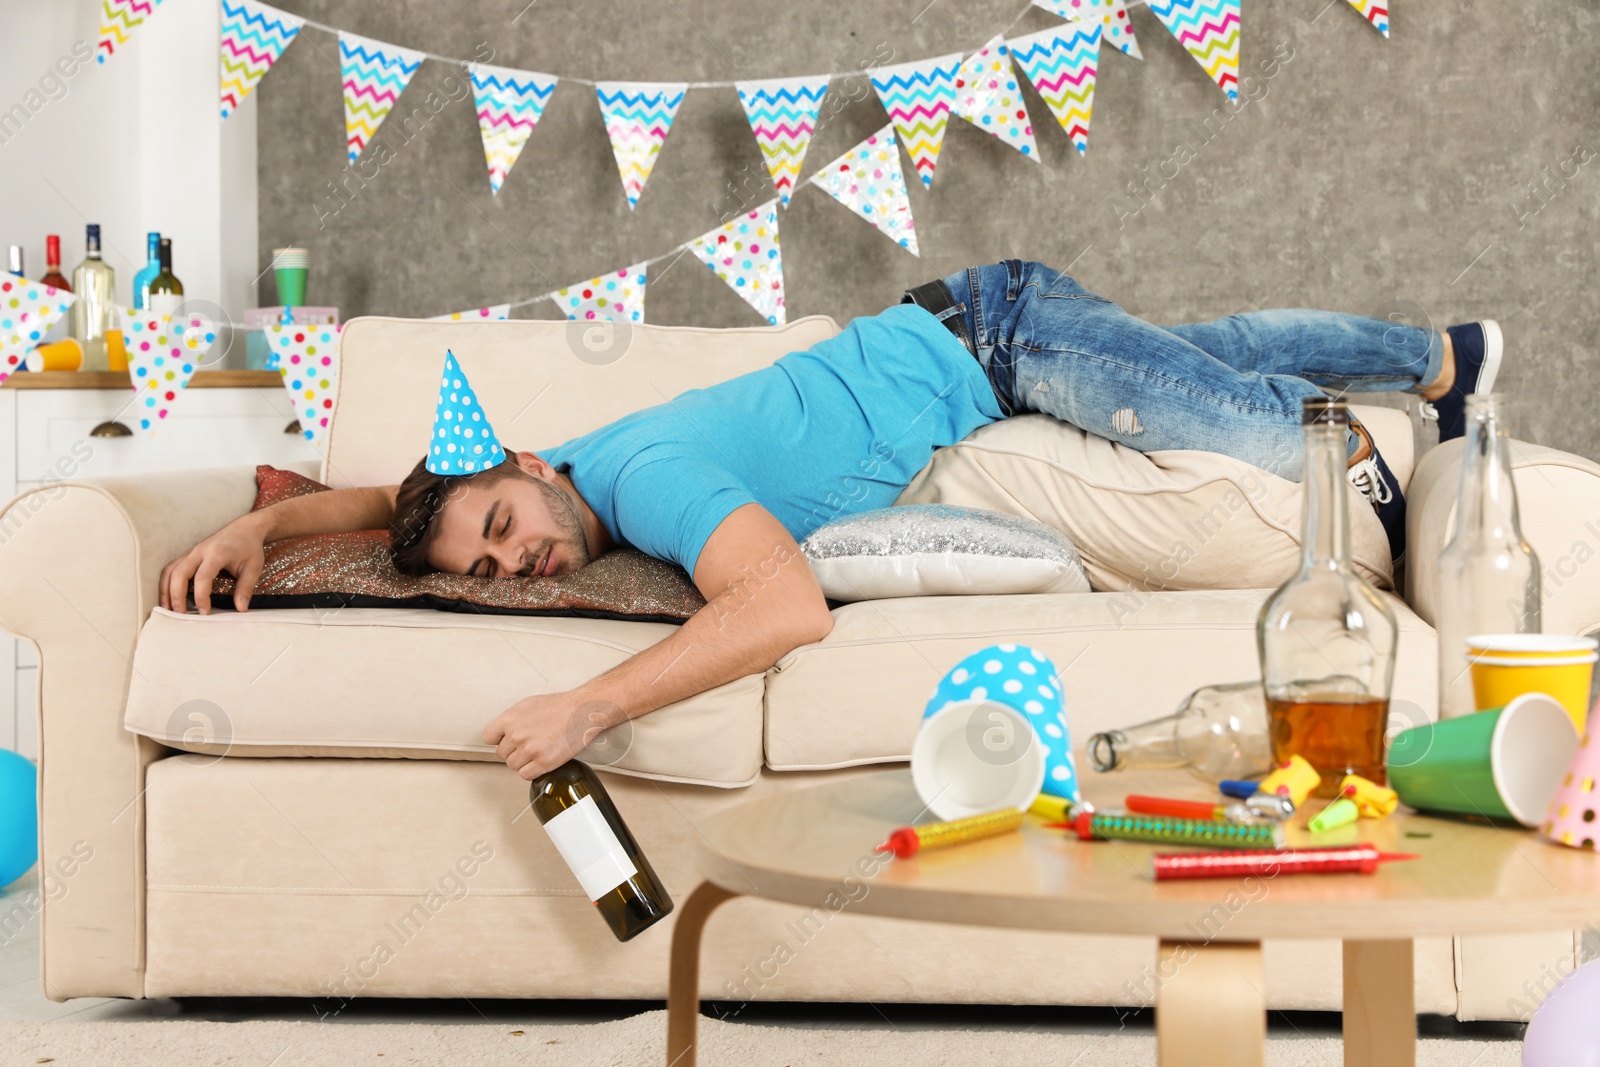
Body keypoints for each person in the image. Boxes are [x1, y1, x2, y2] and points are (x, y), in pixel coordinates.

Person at [159, 260, 1502, 781]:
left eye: (509, 523)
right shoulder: (567, 465)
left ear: (524, 461)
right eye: (498, 564)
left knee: (1268, 432)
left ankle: (1397, 432)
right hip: (967, 343)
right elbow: (386, 495)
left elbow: (785, 603)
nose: (527, 559)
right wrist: (263, 532)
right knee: (1208, 351)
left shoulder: (639, 479)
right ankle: (1437, 354)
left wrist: (590, 705)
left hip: (996, 338)